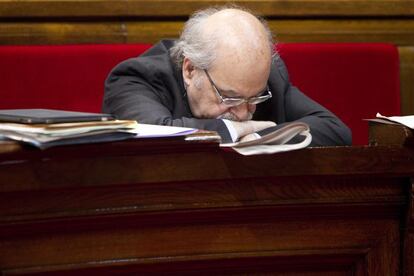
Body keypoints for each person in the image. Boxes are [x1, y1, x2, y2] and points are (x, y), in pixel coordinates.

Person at [103, 6, 352, 145]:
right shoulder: (135, 79)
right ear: (190, 70)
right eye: (229, 97)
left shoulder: (268, 80)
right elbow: (157, 135)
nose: (244, 113)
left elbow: (334, 130)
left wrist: (256, 138)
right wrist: (233, 131)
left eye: (254, 98)